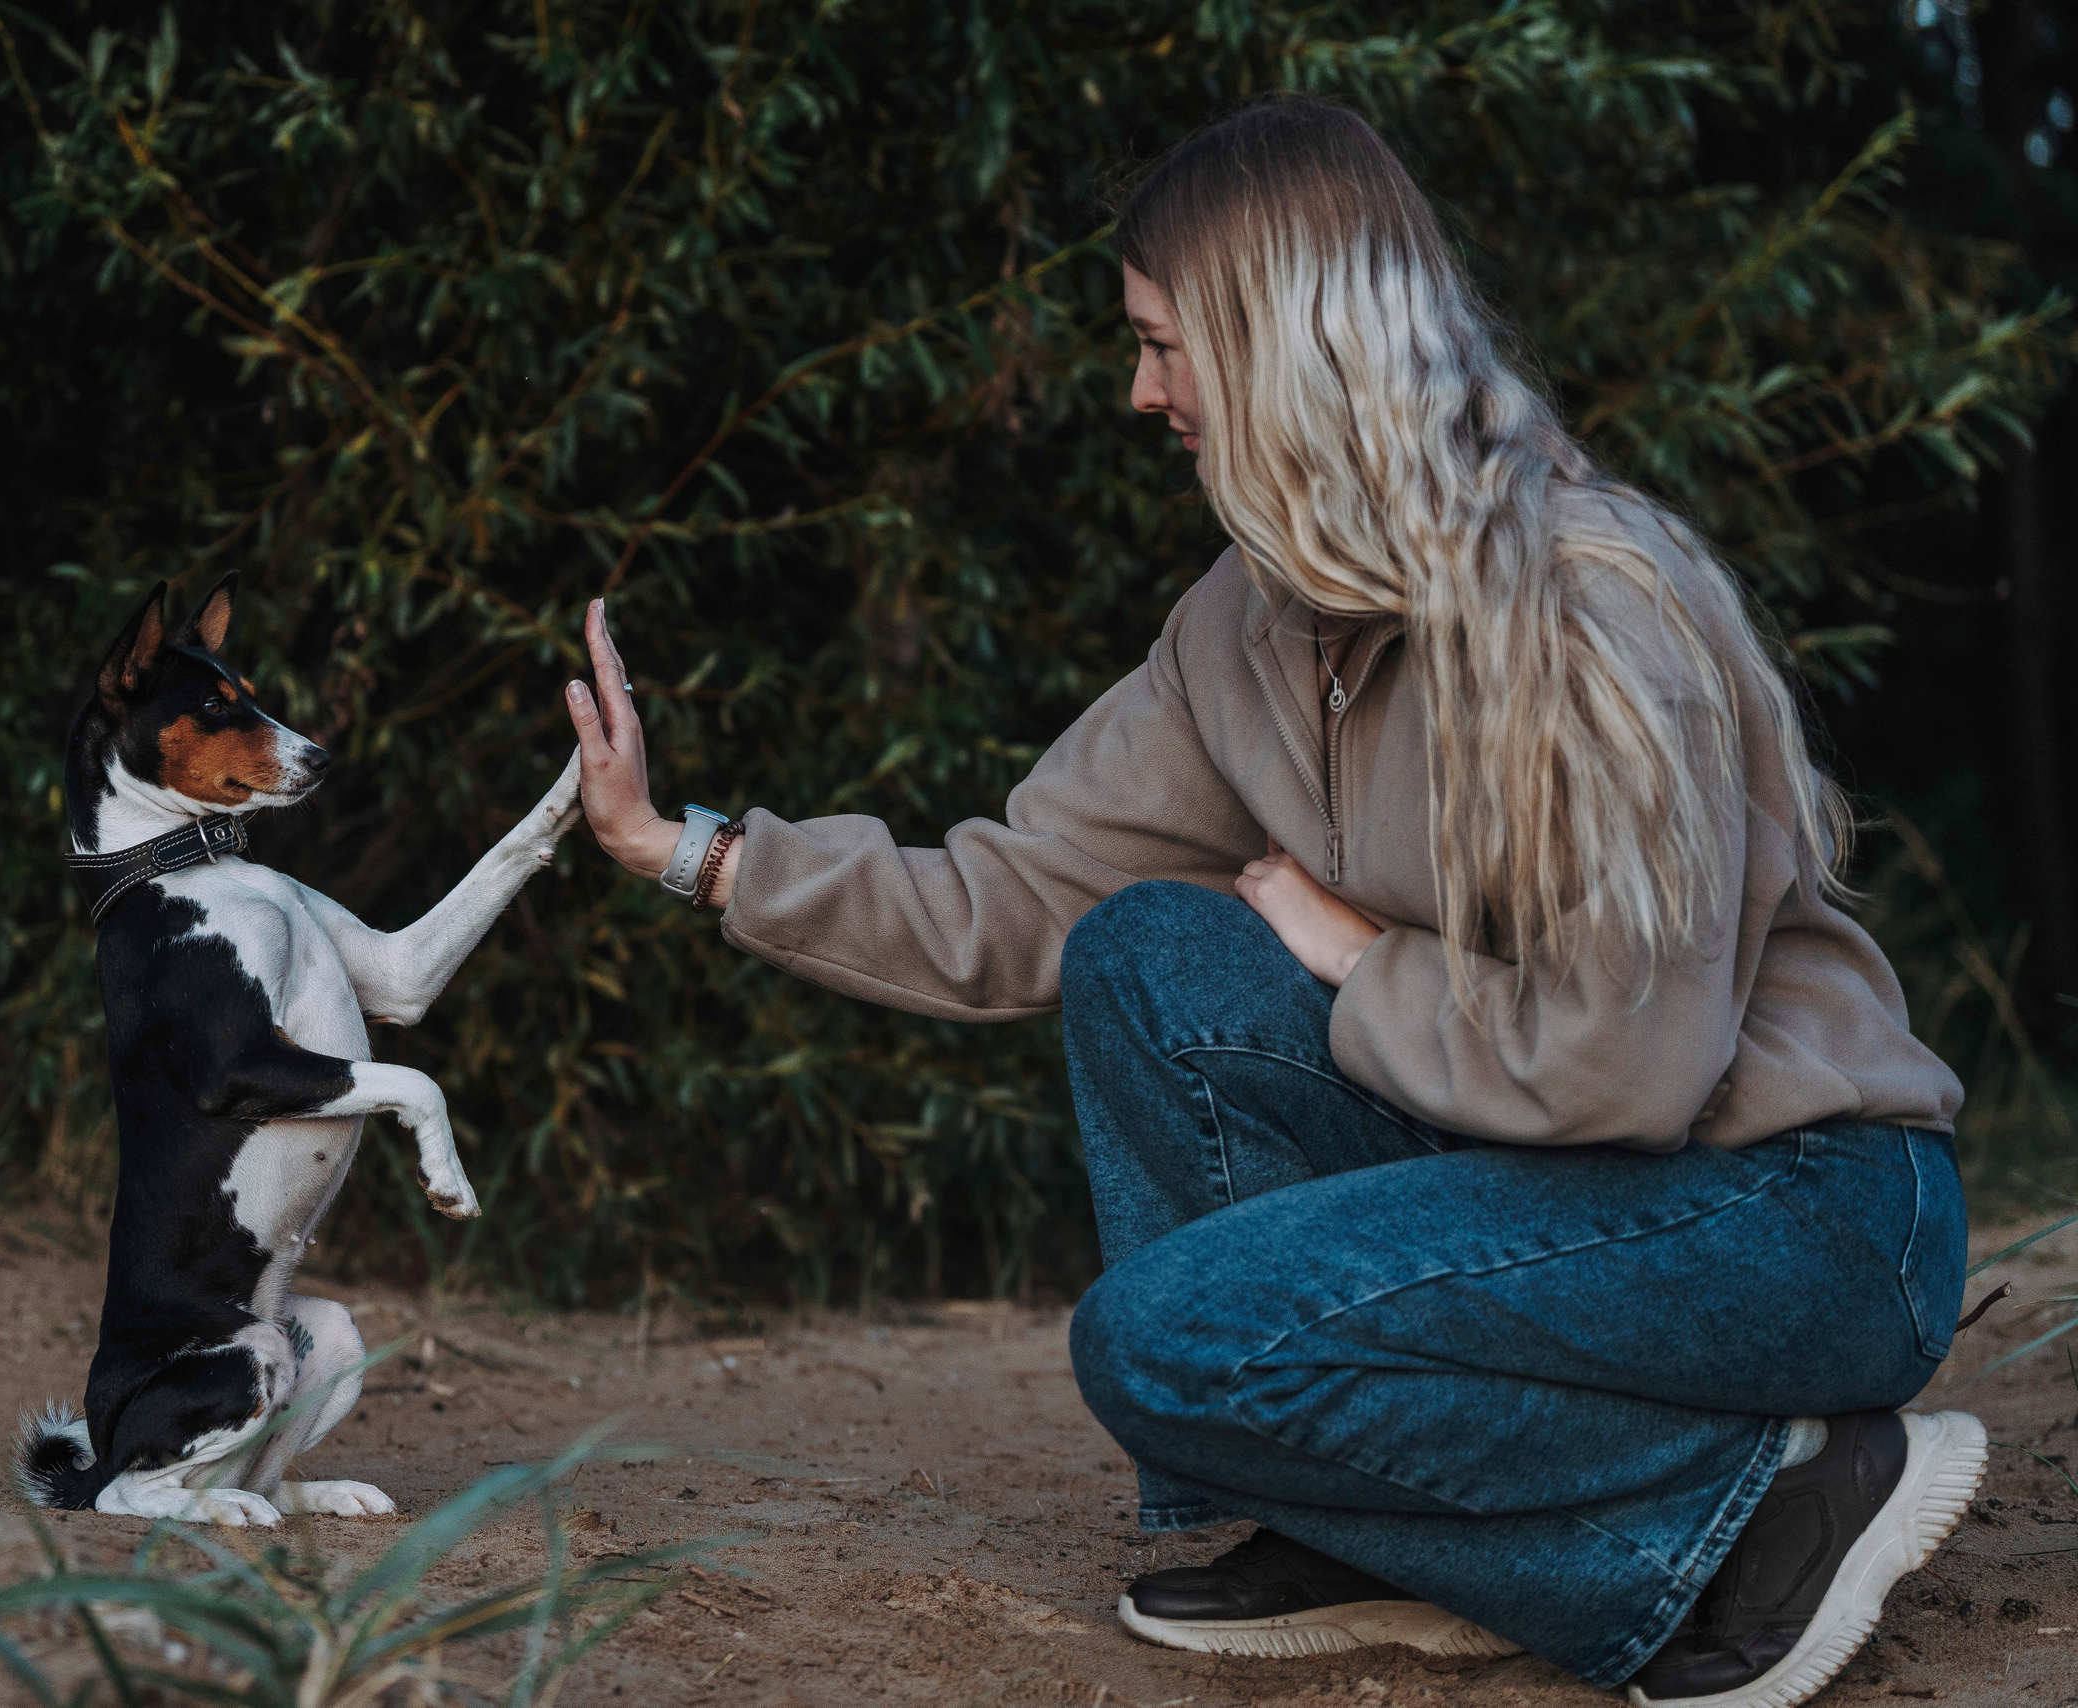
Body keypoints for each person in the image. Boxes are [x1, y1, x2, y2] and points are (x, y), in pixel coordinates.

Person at [558, 96, 1982, 1708]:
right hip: (1557, 1189)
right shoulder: (1248, 623)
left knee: (1161, 1341)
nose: (1140, 389)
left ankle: (1767, 1512)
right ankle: (1378, 1531)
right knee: (1148, 954)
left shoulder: (1588, 603)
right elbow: (1029, 893)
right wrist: (697, 853)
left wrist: (1364, 954)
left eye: (1166, 344)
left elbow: (1622, 1071)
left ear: (1284, 339)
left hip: (1794, 1214)